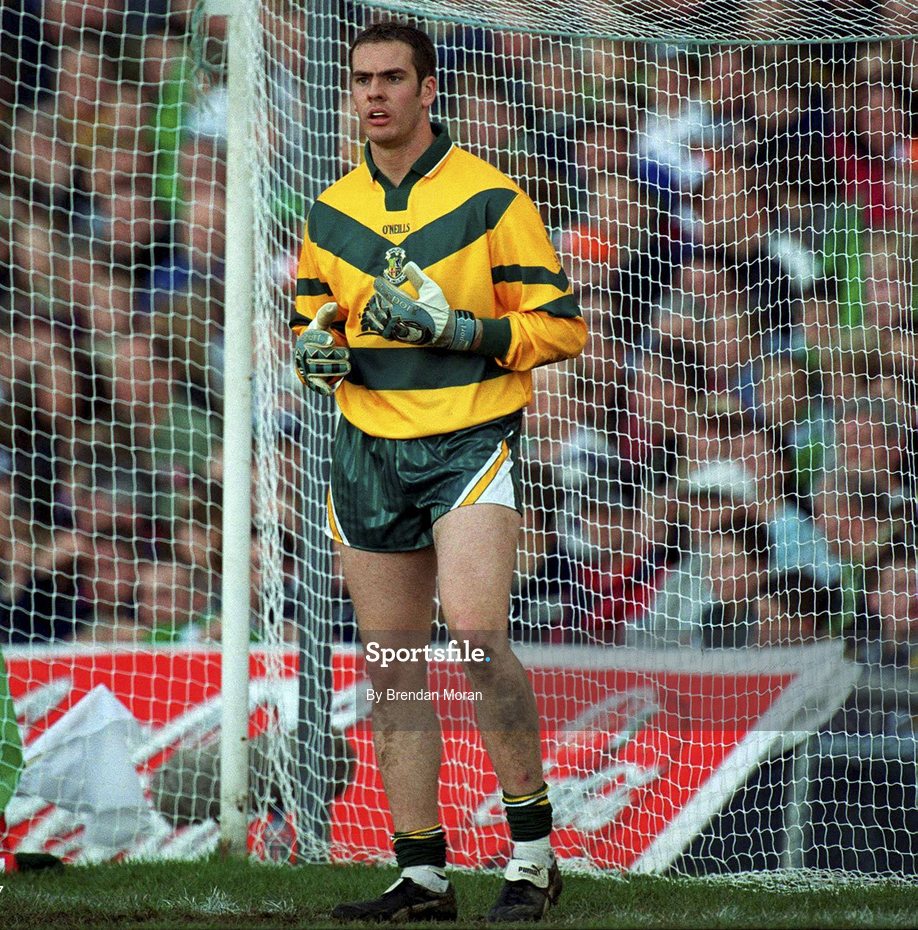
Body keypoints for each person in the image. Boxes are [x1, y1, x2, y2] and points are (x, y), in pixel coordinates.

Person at [291, 22, 587, 923]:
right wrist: (317, 351)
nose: (374, 94)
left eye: (391, 78)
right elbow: (313, 315)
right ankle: (421, 874)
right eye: (361, 80)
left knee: (476, 637)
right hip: (367, 447)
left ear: (429, 90)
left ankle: (532, 856)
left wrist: (463, 332)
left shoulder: (493, 198)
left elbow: (562, 328)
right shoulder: (329, 208)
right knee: (391, 667)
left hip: (467, 437)